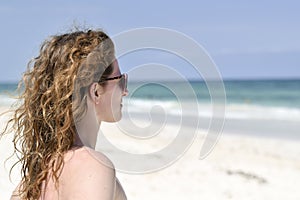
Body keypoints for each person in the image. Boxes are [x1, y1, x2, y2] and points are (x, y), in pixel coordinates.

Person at [3, 29, 128, 199]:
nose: (125, 91)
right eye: (120, 80)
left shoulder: (30, 183)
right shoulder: (93, 167)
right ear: (96, 92)